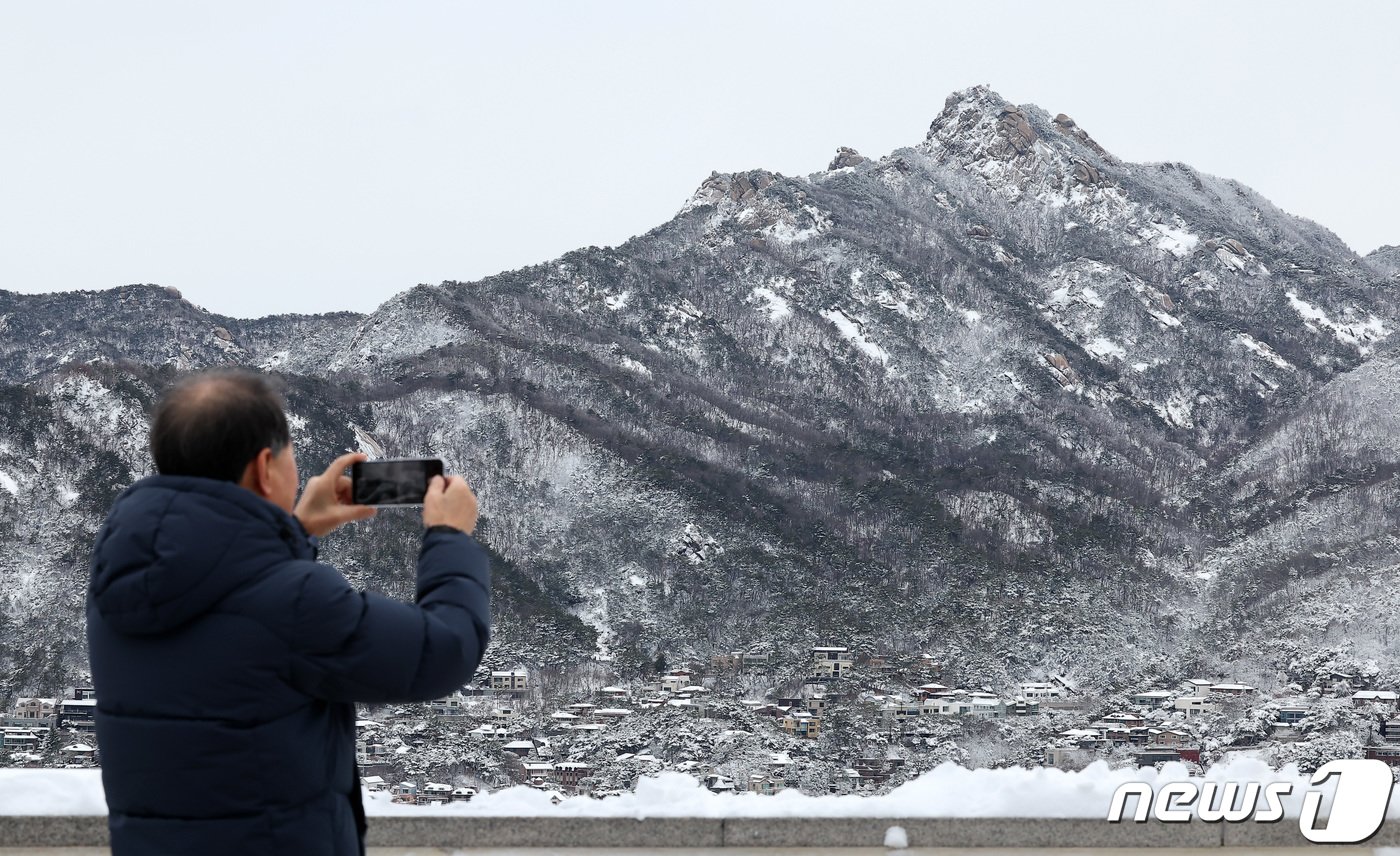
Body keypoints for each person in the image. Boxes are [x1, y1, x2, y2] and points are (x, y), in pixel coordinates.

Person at [86, 369, 491, 855]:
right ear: (264, 467)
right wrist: (450, 537)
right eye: (291, 457)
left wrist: (295, 531)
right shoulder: (292, 600)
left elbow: (234, 623)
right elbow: (442, 650)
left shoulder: (123, 577)